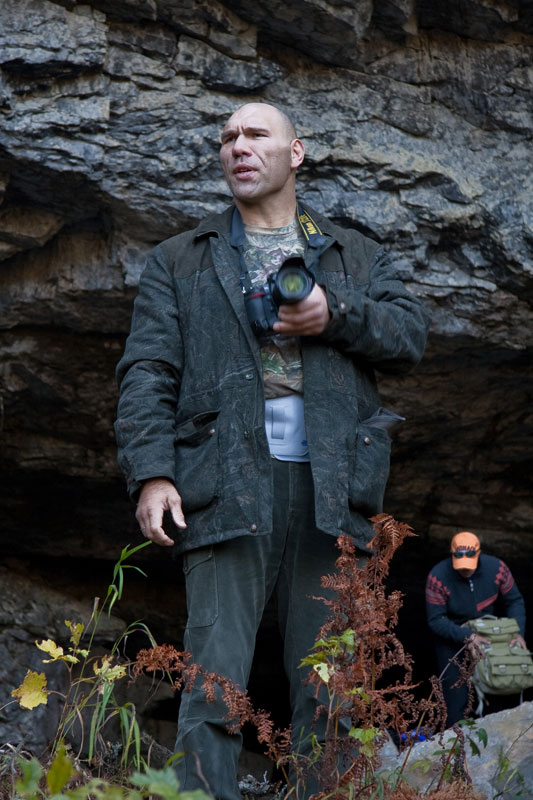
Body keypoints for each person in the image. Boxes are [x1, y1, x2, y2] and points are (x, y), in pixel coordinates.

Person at [115, 102, 428, 799]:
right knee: (213, 680)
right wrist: (153, 473)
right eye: (227, 137)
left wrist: (333, 314)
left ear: (296, 152)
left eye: (256, 134)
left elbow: (409, 336)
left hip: (334, 486)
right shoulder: (181, 257)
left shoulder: (352, 253)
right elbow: (147, 372)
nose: (238, 146)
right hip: (222, 482)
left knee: (331, 686)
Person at [426, 531, 527, 727]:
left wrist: (517, 632)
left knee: (497, 689)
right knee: (456, 699)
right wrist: (467, 636)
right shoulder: (438, 577)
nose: (465, 570)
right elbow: (436, 620)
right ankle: (456, 739)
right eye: (461, 565)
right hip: (452, 635)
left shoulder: (497, 569)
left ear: (479, 554)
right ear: (452, 555)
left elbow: (514, 601)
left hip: (488, 632)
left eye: (469, 564)